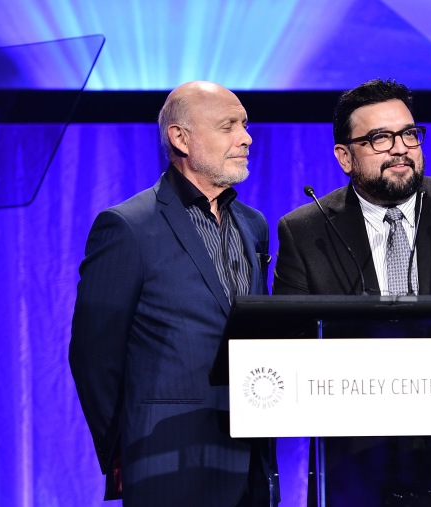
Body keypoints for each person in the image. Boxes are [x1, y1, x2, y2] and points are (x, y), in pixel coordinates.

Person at [273, 79, 431, 507]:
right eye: (380, 138)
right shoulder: (307, 231)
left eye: (409, 134)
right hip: (358, 465)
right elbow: (289, 346)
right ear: (345, 156)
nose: (400, 148)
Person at [70, 81, 277, 506]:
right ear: (180, 138)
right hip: (163, 459)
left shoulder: (253, 223)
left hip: (248, 458)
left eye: (245, 124)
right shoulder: (128, 226)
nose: (246, 137)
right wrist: (122, 449)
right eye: (228, 126)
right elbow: (93, 355)